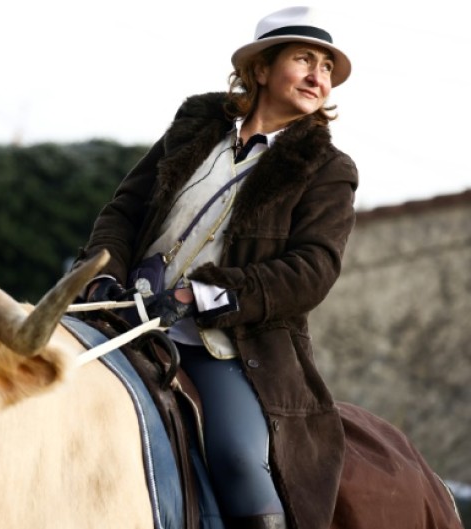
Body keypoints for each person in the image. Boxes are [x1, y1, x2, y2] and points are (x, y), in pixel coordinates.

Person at [75, 6, 357, 529]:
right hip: (122, 316)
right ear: (261, 70)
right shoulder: (192, 131)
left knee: (235, 458)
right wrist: (102, 273)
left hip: (228, 345)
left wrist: (195, 298)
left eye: (326, 66)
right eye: (303, 59)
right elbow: (123, 212)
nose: (319, 75)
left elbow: (312, 269)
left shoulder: (328, 169)